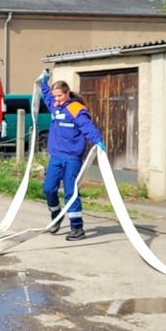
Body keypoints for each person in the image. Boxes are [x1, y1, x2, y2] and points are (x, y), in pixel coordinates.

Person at [40, 71, 104, 241]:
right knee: (48, 188)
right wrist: (44, 82)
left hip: (72, 158)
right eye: (55, 96)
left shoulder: (76, 109)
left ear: (67, 93)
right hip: (56, 156)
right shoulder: (54, 104)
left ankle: (77, 228)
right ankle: (56, 214)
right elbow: (46, 94)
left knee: (70, 191)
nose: (57, 99)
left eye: (60, 95)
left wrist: (97, 140)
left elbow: (87, 127)